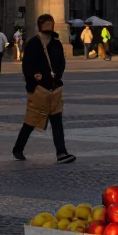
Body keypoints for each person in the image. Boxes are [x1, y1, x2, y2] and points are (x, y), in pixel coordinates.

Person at [12, 13, 75, 163]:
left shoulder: (56, 43)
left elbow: (62, 63)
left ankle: (61, 152)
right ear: (41, 26)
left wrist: (57, 78)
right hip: (39, 89)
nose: (49, 26)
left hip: (54, 88)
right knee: (31, 121)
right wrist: (34, 78)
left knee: (56, 120)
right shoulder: (33, 44)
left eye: (51, 23)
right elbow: (27, 66)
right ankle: (18, 148)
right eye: (47, 24)